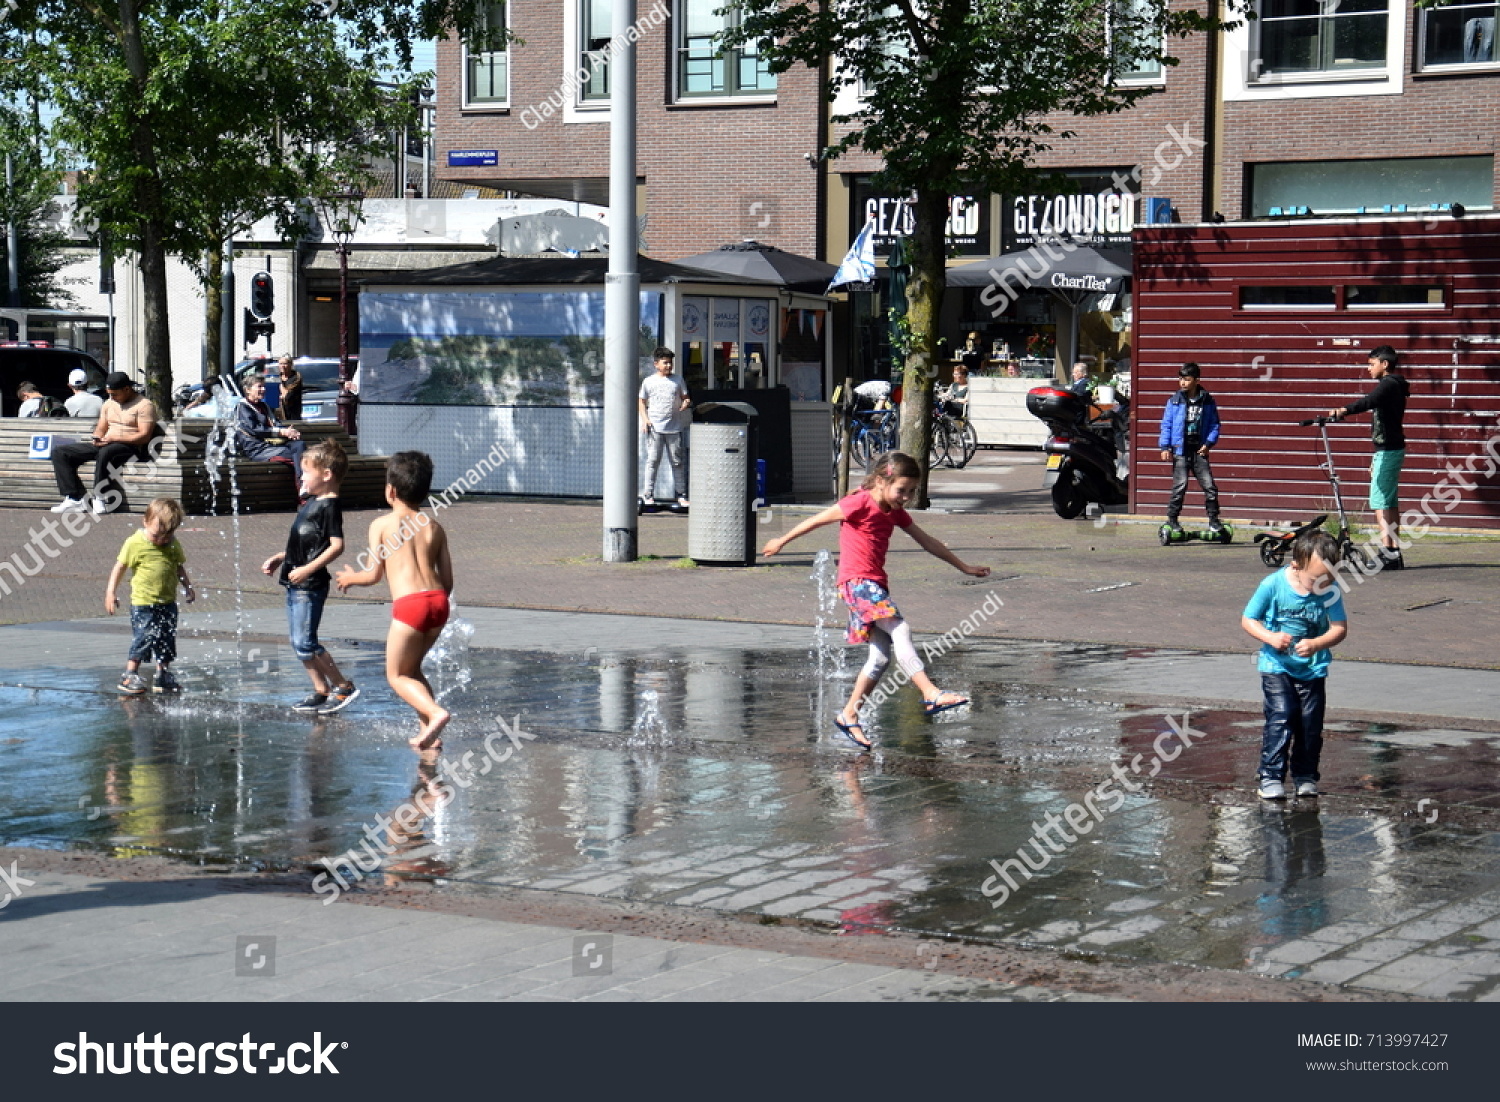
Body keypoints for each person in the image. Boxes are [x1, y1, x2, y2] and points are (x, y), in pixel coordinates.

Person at [761, 452, 990, 750]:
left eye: (911, 491)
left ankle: (848, 715)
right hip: (856, 582)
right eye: (902, 490)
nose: (906, 497)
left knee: (881, 656)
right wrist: (781, 540)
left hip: (873, 583)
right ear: (882, 481)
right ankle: (930, 693)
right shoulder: (858, 502)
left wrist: (965, 567)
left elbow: (927, 541)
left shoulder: (893, 510)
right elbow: (817, 521)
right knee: (901, 630)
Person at [336, 451, 455, 751]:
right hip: (438, 603)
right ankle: (430, 732)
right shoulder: (434, 527)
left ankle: (435, 713)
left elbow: (374, 574)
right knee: (413, 670)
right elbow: (448, 581)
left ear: (391, 490)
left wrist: (350, 578)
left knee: (396, 675)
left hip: (410, 606)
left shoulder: (382, 525)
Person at [1241, 530, 1347, 801]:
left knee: (1310, 723)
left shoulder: (1330, 591)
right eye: (1317, 579)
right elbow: (1248, 619)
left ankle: (1305, 775)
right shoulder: (1272, 586)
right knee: (1282, 715)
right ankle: (1270, 775)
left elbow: (1340, 628)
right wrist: (1270, 637)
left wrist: (1317, 644)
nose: (1323, 584)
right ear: (1295, 565)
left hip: (1312, 668)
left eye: (1329, 578)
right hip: (1276, 666)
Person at [260, 439, 359, 716]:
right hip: (295, 582)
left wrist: (307, 570)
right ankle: (321, 690)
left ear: (326, 475)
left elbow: (336, 545)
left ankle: (342, 686)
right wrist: (282, 556)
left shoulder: (329, 506)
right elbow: (307, 543)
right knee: (298, 642)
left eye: (306, 471)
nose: (301, 476)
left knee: (306, 642)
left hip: (310, 585)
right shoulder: (313, 502)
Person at [1328, 345, 1408, 569]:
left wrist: (1344, 409)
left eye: (1372, 364)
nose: (1368, 369)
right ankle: (1393, 552)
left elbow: (1368, 401)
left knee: (1381, 502)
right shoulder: (1394, 386)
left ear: (1385, 364)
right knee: (1389, 502)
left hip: (1388, 450)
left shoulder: (1389, 384)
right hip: (1389, 449)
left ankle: (1387, 553)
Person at [105, 497, 194, 695]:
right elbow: (119, 567)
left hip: (168, 602)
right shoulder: (135, 543)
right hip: (143, 603)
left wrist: (188, 586)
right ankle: (130, 674)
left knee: (166, 638)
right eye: (157, 535)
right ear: (145, 522)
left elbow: (179, 566)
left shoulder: (172, 544)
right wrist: (111, 592)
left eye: (167, 535)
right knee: (144, 636)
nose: (162, 540)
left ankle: (163, 675)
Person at [50, 371, 157, 516]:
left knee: (105, 452)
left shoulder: (144, 405)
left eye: (115, 394)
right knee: (60, 452)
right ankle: (74, 498)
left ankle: (99, 496)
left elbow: (144, 436)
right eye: (109, 394)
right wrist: (97, 437)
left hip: (130, 446)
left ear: (127, 389)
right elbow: (101, 427)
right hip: (107, 443)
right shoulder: (109, 403)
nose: (112, 397)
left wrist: (113, 439)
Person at [1158, 362, 1223, 536]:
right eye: (1181, 379)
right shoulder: (1174, 400)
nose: (1183, 383)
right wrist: (1165, 446)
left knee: (1210, 486)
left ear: (1196, 380)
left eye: (1187, 379)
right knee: (1180, 486)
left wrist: (1208, 443)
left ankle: (1214, 521)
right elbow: (1167, 424)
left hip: (1199, 451)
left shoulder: (1208, 400)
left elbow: (1215, 424)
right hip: (1180, 450)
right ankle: (1172, 520)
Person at [638, 347, 691, 508]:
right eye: (665, 362)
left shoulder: (678, 380)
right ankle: (648, 494)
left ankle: (681, 494)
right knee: (653, 461)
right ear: (656, 364)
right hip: (655, 428)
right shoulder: (648, 381)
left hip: (674, 428)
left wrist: (685, 402)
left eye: (670, 363)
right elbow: (641, 401)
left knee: (677, 461)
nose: (668, 366)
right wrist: (645, 419)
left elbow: (686, 397)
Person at [235, 374, 305, 473]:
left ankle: (303, 482)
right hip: (258, 449)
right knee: (300, 454)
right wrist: (281, 432)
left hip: (274, 445)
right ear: (248, 390)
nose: (263, 389)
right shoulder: (243, 407)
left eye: (264, 386)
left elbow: (276, 424)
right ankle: (302, 483)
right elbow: (255, 429)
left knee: (299, 445)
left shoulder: (264, 406)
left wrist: (289, 431)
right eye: (259, 386)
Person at [276, 354, 304, 421]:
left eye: (285, 363)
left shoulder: (296, 378)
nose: (282, 366)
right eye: (280, 364)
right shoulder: (276, 378)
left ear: (291, 364)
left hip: (293, 413)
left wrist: (280, 387)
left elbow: (288, 396)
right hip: (279, 414)